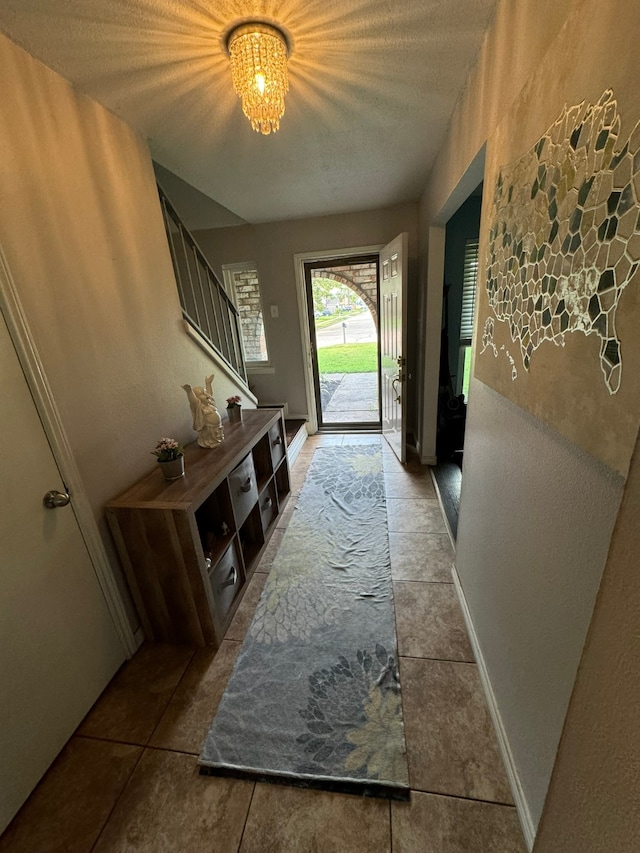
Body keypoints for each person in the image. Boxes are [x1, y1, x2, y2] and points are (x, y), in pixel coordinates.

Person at [182, 374, 223, 447]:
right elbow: (193, 401)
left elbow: (209, 394)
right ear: (197, 398)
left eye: (205, 393)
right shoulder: (199, 407)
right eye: (203, 394)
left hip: (217, 426)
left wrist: (208, 383)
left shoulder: (209, 403)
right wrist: (189, 392)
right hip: (208, 427)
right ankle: (208, 443)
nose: (207, 395)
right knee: (209, 438)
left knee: (217, 435)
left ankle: (215, 440)